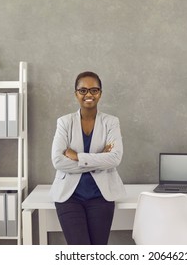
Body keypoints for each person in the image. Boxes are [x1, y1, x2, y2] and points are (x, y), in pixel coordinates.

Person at [50, 71, 126, 245]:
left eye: (94, 90)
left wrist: (77, 157)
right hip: (69, 197)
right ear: (75, 93)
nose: (89, 95)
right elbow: (58, 161)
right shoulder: (64, 122)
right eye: (83, 90)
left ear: (100, 93)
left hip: (101, 196)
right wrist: (100, 159)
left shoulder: (111, 122)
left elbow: (115, 159)